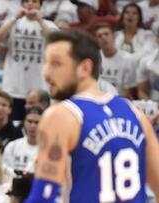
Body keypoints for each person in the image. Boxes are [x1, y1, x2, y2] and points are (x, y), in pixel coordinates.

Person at [24, 29, 159, 203]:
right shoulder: (133, 112)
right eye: (46, 63)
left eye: (56, 64)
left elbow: (43, 196)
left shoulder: (61, 116)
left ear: (85, 68)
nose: (46, 73)